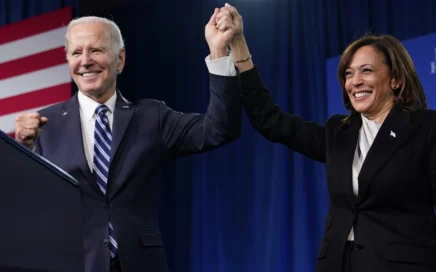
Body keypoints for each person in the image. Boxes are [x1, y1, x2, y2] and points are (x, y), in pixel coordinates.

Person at [14, 8, 241, 272]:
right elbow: (23, 207)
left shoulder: (151, 117)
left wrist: (218, 52)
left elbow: (218, 130)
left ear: (120, 59)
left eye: (96, 50)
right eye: (76, 53)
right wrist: (24, 150)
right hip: (72, 263)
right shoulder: (44, 124)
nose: (85, 61)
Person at [214, 4, 436, 272]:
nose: (354, 82)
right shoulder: (338, 132)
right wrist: (238, 44)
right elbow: (269, 120)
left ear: (395, 79)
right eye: (348, 74)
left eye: (366, 70)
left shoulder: (425, 128)